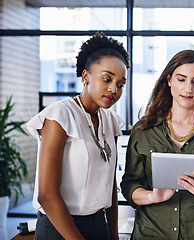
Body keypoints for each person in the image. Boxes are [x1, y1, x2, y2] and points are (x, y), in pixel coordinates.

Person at [26, 32, 130, 240]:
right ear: (85, 76)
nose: (113, 89)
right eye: (106, 79)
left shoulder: (111, 121)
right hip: (60, 227)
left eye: (120, 84)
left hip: (99, 225)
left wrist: (114, 236)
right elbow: (46, 195)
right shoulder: (60, 115)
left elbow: (109, 186)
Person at [121, 50, 194, 239]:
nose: (188, 88)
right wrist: (152, 197)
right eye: (181, 79)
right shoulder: (143, 130)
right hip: (152, 234)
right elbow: (130, 184)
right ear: (169, 80)